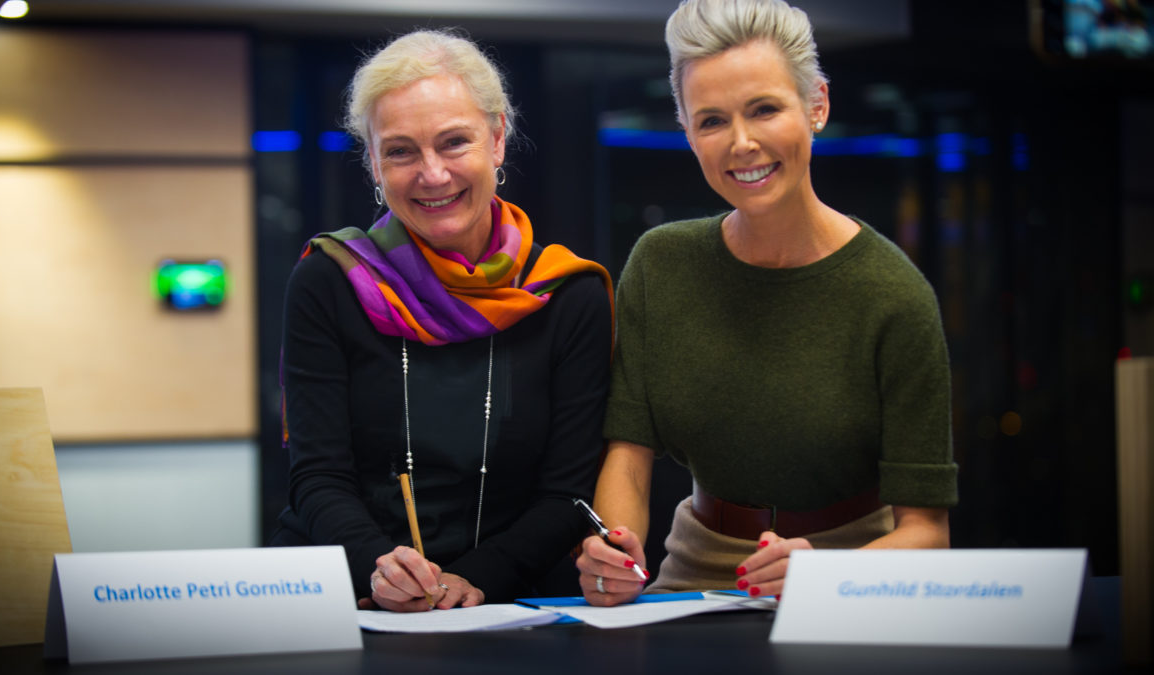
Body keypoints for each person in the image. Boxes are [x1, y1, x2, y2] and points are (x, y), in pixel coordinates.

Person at [576, 0, 958, 606]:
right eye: (711, 121)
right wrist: (615, 551)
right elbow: (628, 453)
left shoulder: (895, 295)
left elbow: (927, 534)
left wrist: (830, 575)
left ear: (817, 107)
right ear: (687, 133)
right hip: (691, 577)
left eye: (764, 109)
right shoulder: (660, 264)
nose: (742, 143)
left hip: (852, 582)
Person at [270, 29, 613, 612]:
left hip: (513, 601)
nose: (432, 175)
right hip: (348, 593)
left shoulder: (569, 293)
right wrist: (380, 568)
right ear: (374, 162)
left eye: (454, 142)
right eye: (401, 151)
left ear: (498, 139)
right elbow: (317, 477)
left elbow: (567, 492)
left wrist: (477, 579)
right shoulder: (329, 279)